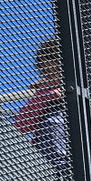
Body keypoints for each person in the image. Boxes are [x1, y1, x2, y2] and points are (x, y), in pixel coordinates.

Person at [15, 39, 69, 167]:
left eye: (55, 71)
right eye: (47, 73)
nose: (53, 77)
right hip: (53, 159)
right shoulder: (45, 91)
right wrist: (49, 94)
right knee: (53, 114)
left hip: (81, 152)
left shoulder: (89, 91)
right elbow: (21, 124)